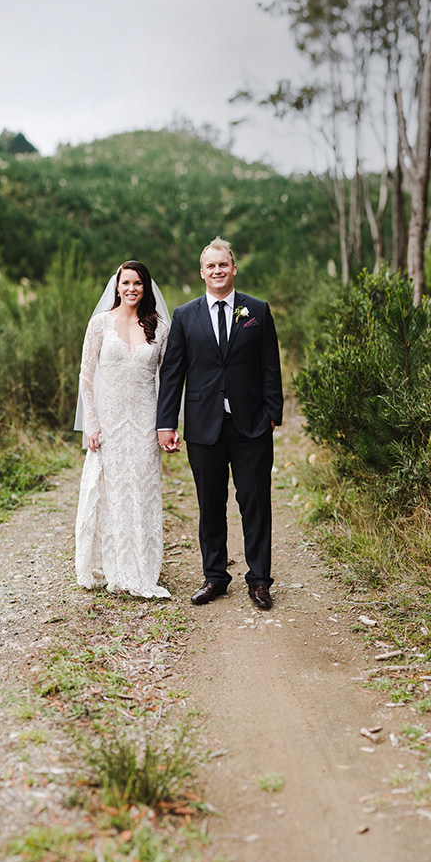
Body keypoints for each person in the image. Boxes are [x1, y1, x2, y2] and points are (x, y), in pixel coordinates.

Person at [154, 238, 283, 610]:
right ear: (202, 272)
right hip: (203, 425)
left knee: (255, 502)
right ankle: (215, 578)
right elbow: (173, 373)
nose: (217, 271)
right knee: (210, 504)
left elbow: (270, 366)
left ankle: (259, 580)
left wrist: (272, 413)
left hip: (251, 426)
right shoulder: (185, 316)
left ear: (233, 269)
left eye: (223, 264)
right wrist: (167, 422)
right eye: (210, 266)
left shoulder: (256, 310)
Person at [73, 260, 173, 599]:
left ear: (146, 288)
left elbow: (168, 381)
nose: (131, 288)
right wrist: (92, 423)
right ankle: (111, 567)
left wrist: (165, 424)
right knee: (109, 492)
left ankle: (142, 569)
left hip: (145, 422)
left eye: (138, 283)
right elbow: (86, 376)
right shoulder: (100, 324)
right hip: (110, 422)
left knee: (142, 492)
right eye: (126, 282)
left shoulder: (159, 327)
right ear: (117, 286)